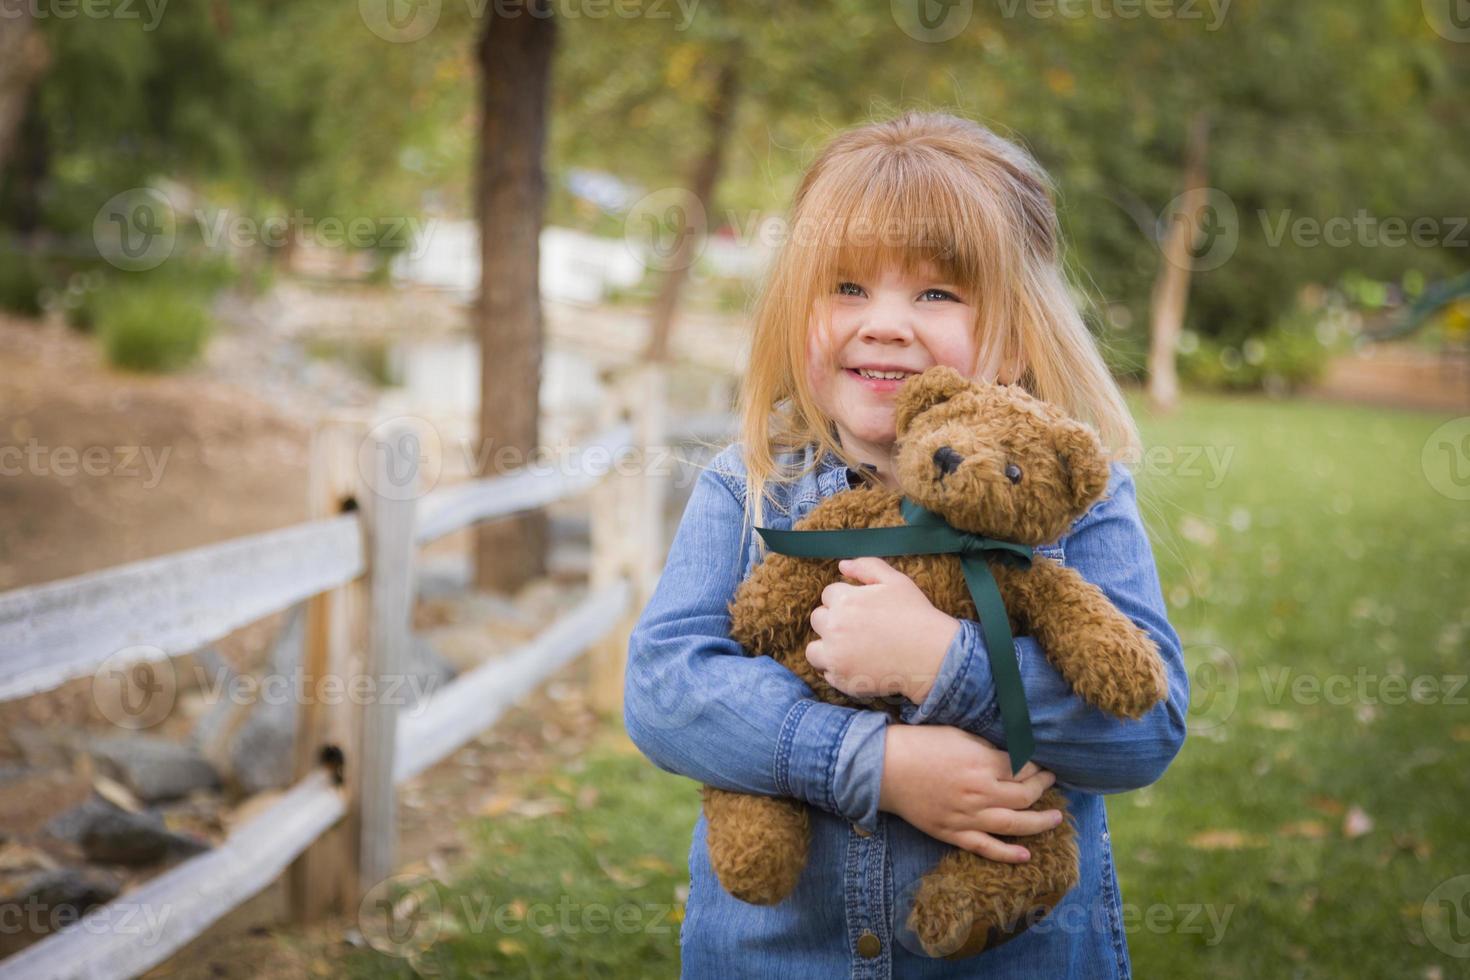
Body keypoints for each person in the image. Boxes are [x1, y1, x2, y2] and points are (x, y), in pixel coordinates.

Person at [623, 110, 1190, 979]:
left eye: (935, 293)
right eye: (846, 288)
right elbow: (666, 689)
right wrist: (875, 764)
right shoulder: (749, 488)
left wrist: (946, 665)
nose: (884, 324)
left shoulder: (1080, 502)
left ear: (1016, 330)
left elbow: (1143, 729)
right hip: (777, 960)